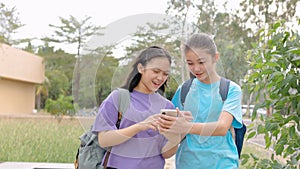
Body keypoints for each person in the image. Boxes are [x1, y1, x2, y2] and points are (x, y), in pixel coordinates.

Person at [158, 33, 243, 169]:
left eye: (201, 62)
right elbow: (173, 129)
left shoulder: (230, 89)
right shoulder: (184, 90)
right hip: (188, 163)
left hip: (223, 164)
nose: (196, 69)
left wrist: (186, 127)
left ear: (215, 57)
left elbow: (222, 127)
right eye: (190, 63)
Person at [92, 46, 179, 169]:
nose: (160, 78)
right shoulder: (118, 98)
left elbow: (165, 153)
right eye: (156, 71)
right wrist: (139, 126)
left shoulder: (167, 106)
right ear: (141, 68)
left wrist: (175, 137)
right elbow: (104, 139)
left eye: (165, 74)